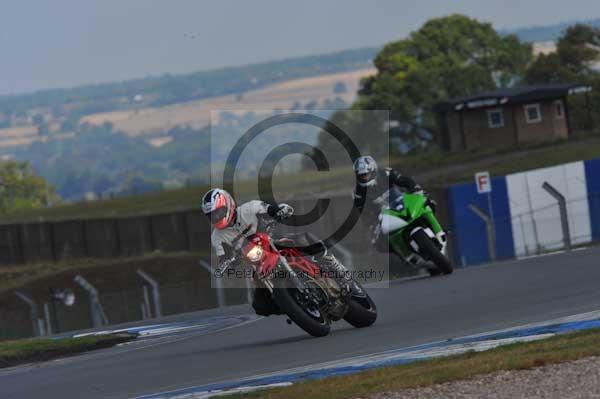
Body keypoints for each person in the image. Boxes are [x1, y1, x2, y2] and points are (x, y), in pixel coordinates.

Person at [202, 188, 350, 316]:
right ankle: (294, 306)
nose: (216, 217)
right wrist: (226, 264)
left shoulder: (249, 208)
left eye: (218, 212)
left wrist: (279, 211)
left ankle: (336, 267)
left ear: (228, 204)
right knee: (261, 306)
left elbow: (269, 209)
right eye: (212, 215)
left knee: (305, 239)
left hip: (274, 243)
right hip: (257, 262)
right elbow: (223, 257)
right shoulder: (217, 236)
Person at [352, 155, 436, 250]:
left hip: (401, 203)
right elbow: (362, 211)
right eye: (361, 176)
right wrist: (371, 223)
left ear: (373, 170)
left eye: (366, 174)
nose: (365, 178)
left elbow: (403, 180)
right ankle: (402, 255)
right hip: (384, 217)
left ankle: (438, 231)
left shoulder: (385, 173)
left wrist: (416, 190)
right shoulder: (358, 192)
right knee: (378, 243)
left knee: (428, 203)